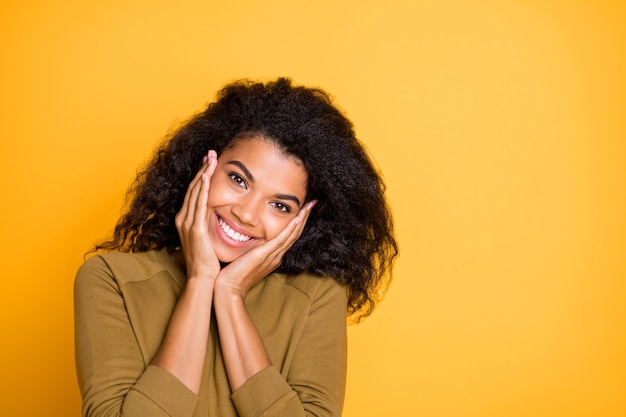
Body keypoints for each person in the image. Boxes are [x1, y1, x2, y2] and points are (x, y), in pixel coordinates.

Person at [74, 77, 398, 417]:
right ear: (205, 168)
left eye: (280, 206)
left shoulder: (317, 296)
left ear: (304, 221)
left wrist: (229, 294)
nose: (245, 214)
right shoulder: (111, 280)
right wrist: (201, 280)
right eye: (238, 180)